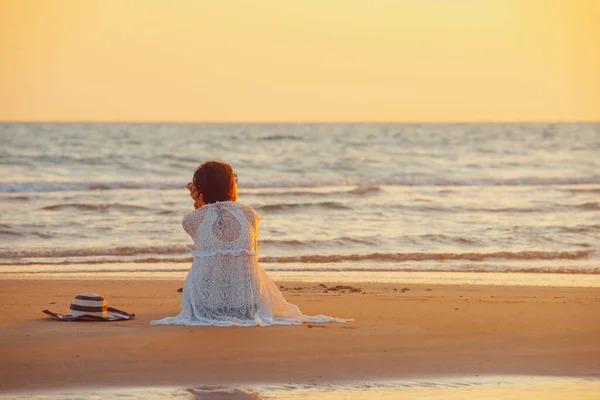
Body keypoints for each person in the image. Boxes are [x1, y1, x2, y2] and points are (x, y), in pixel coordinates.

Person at [151, 161, 347, 326]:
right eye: (234, 180)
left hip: (206, 304)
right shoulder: (250, 215)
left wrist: (198, 206)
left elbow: (208, 235)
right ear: (231, 187)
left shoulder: (190, 220)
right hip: (248, 303)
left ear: (199, 191)